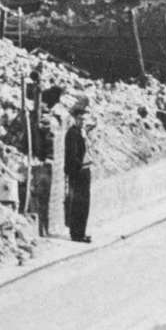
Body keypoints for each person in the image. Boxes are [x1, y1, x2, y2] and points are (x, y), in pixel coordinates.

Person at [63, 100, 93, 243]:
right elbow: (72, 155)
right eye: (80, 119)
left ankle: (81, 231)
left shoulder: (80, 133)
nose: (82, 121)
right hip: (79, 172)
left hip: (84, 170)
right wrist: (78, 168)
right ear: (75, 119)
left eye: (83, 119)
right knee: (78, 203)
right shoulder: (72, 133)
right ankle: (77, 234)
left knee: (84, 203)